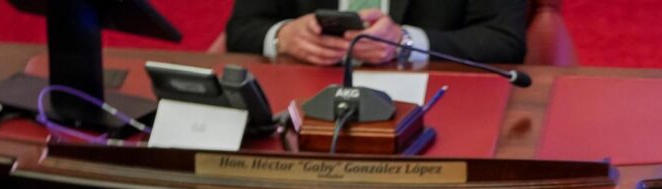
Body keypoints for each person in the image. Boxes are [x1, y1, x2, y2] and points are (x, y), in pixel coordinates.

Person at [225, 0, 527, 67]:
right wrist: (284, 36)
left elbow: (502, 39)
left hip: (433, 108)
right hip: (303, 99)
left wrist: (405, 43)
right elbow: (242, 29)